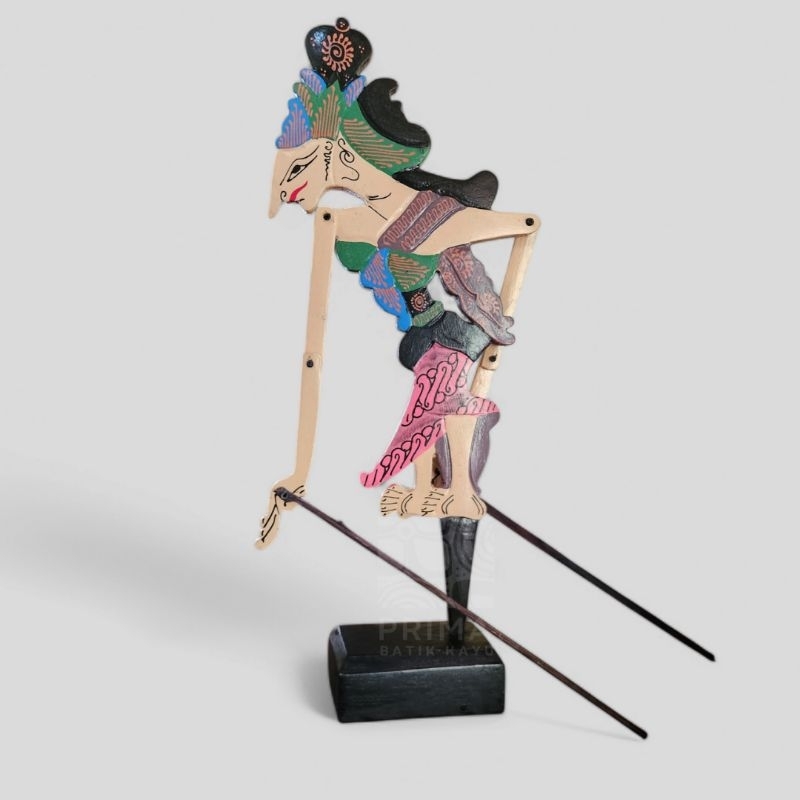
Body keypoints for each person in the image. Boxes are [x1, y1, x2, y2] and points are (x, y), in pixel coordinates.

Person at [260, 19, 538, 547]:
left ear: (344, 154)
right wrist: (300, 471)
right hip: (426, 337)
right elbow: (313, 353)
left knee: (437, 407)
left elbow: (523, 226)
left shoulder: (434, 212)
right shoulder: (346, 224)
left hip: (450, 335)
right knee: (430, 405)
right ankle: (434, 491)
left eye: (311, 162)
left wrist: (505, 279)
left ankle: (454, 492)